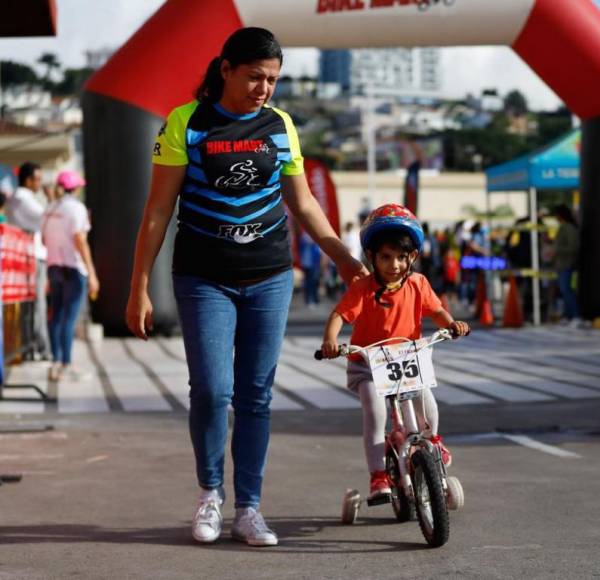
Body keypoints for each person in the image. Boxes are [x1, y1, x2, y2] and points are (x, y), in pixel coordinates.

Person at [124, 28, 367, 547]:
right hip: (203, 276)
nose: (264, 88)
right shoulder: (186, 123)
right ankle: (210, 495)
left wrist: (345, 259)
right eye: (255, 76)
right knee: (213, 391)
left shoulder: (280, 126)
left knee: (256, 395)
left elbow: (303, 206)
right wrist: (137, 287)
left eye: (273, 80)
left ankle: (250, 508)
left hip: (270, 275)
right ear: (226, 69)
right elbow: (158, 212)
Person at [319, 204, 469, 502]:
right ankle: (377, 474)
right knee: (375, 412)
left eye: (402, 257)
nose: (394, 265)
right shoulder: (363, 287)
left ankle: (433, 442)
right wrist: (330, 340)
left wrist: (452, 325)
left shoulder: (418, 283)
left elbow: (436, 310)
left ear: (412, 257)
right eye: (386, 257)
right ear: (372, 257)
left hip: (407, 360)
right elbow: (339, 315)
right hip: (368, 364)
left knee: (427, 401)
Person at [41, 170, 100, 381]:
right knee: (69, 318)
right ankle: (67, 364)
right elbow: (80, 241)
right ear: (75, 188)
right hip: (74, 268)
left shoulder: (49, 208)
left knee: (55, 316)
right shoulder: (76, 208)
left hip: (54, 267)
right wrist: (92, 273)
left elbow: (43, 239)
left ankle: (56, 363)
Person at [6, 161, 51, 360]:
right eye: (37, 179)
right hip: (32, 257)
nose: (40, 183)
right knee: (37, 305)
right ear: (28, 179)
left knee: (29, 306)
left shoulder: (18, 198)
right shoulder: (24, 198)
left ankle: (30, 348)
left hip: (26, 256)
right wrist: (51, 200)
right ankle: (41, 349)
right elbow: (48, 219)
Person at [553, 204, 579, 322]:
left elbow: (573, 247)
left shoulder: (568, 228)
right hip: (561, 264)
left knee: (567, 290)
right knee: (564, 291)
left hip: (567, 264)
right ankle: (568, 315)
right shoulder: (563, 227)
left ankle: (574, 315)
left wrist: (556, 249)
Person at [299, 230, 321, 307]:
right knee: (310, 282)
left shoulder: (306, 235)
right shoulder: (306, 235)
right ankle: (309, 299)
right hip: (308, 263)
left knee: (312, 281)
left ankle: (312, 299)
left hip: (312, 263)